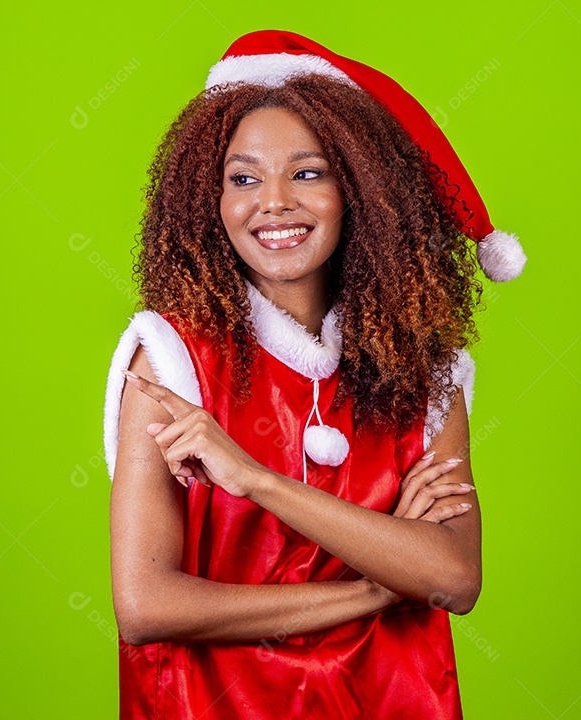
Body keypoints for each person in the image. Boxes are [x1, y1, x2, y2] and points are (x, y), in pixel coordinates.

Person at [102, 30, 526, 720]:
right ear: (208, 199)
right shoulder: (170, 359)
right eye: (243, 178)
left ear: (360, 190)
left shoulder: (428, 373)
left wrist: (254, 480)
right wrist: (374, 589)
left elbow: (452, 576)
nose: (272, 202)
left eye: (307, 173)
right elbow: (146, 605)